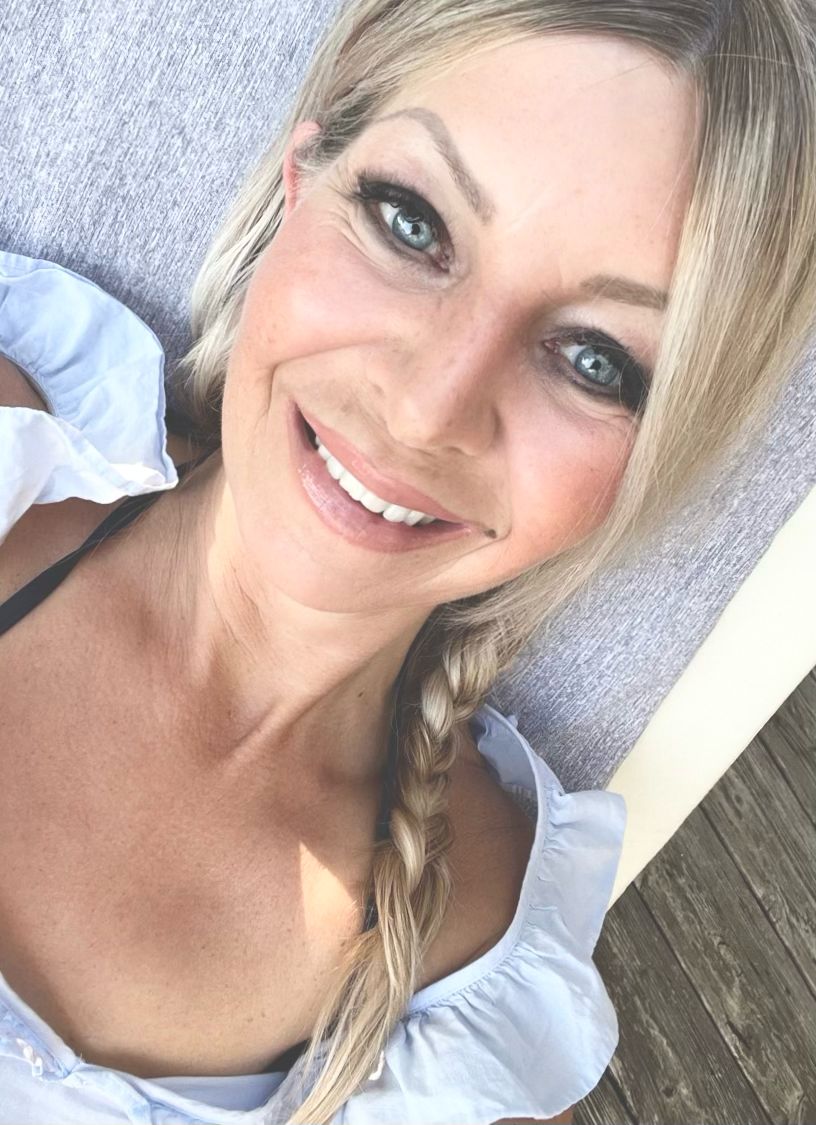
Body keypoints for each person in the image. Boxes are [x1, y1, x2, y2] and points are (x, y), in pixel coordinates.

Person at [1, 0, 814, 1121]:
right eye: (411, 222)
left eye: (594, 359)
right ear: (301, 179)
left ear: (652, 458)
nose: (427, 409)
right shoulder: (20, 460)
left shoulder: (466, 989)